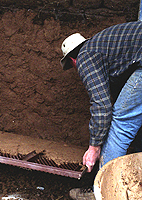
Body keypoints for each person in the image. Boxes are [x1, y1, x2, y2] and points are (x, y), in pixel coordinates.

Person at [60, 21, 142, 199]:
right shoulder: (104, 47)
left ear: (72, 59)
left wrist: (94, 147)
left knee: (121, 121)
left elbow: (102, 106)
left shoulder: (85, 57)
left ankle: (104, 191)